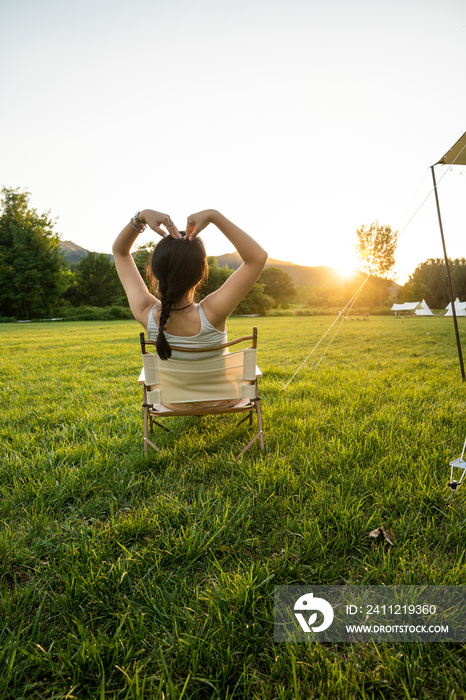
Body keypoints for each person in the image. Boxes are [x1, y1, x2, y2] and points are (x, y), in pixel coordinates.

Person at [113, 208, 267, 408]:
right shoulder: (213, 313)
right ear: (201, 274)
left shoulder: (145, 312)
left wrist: (140, 218)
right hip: (222, 400)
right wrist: (213, 216)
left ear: (155, 271)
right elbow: (257, 258)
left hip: (172, 403)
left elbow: (120, 251)